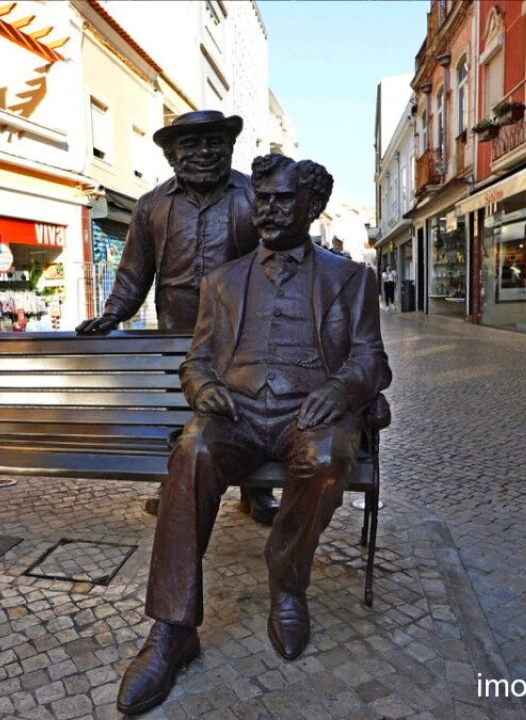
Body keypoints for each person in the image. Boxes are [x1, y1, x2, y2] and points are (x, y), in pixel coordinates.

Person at [116, 154, 391, 715]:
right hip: (236, 414)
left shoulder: (350, 278)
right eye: (262, 198)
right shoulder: (222, 280)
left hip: (308, 414)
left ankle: (287, 583)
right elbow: (196, 360)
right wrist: (203, 388)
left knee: (327, 456)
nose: (266, 209)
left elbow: (371, 359)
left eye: (282, 199)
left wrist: (339, 392)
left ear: (312, 207)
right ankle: (172, 629)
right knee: (191, 449)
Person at [75, 110, 279, 525]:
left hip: (246, 324)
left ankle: (256, 488)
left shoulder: (253, 195)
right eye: (191, 144)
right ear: (171, 154)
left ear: (229, 146)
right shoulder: (152, 205)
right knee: (182, 406)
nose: (204, 152)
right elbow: (134, 271)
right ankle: (178, 480)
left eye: (214, 142)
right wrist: (113, 313)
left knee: (249, 402)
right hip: (178, 326)